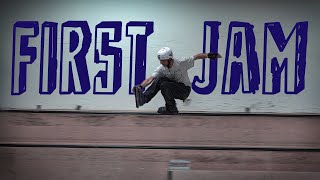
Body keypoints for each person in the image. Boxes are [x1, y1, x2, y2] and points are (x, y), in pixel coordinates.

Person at [133, 47, 222, 114]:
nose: (161, 63)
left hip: (184, 90)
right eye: (160, 60)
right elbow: (150, 79)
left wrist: (209, 55)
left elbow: (196, 56)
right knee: (160, 80)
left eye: (163, 60)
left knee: (164, 85)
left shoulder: (181, 63)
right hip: (172, 87)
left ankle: (171, 108)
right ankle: (144, 99)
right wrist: (140, 87)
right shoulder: (162, 68)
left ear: (169, 59)